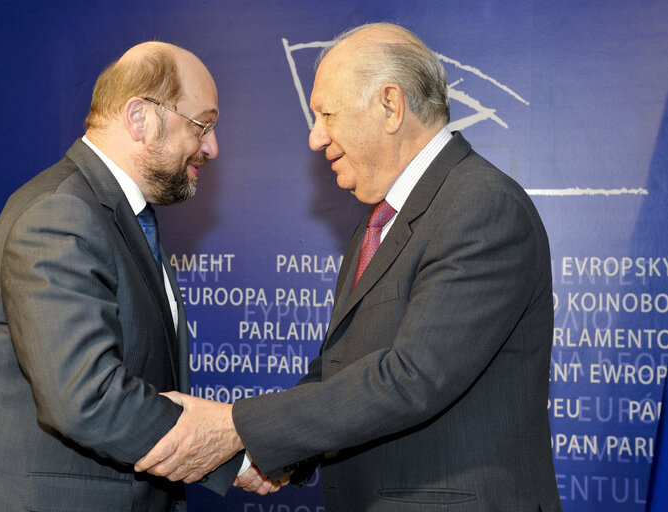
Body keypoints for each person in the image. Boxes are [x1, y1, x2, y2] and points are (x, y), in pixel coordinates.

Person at [135, 23, 563, 511]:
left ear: (390, 105)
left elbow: (411, 377)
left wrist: (237, 427)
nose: (315, 138)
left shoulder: (481, 206)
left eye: (326, 114)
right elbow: (340, 370)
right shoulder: (379, 222)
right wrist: (275, 455)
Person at [0, 41, 270, 512]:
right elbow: (86, 396)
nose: (212, 146)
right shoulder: (62, 211)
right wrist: (229, 455)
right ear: (140, 118)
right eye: (203, 125)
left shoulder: (121, 215)